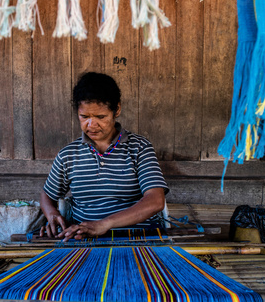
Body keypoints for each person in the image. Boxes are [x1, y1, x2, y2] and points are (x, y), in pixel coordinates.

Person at [40, 72, 169, 241]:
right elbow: (47, 195)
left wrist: (104, 224)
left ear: (117, 110)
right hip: (84, 239)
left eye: (100, 117)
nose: (91, 125)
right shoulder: (68, 155)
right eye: (84, 117)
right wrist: (52, 215)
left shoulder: (139, 148)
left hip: (137, 237)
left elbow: (155, 200)